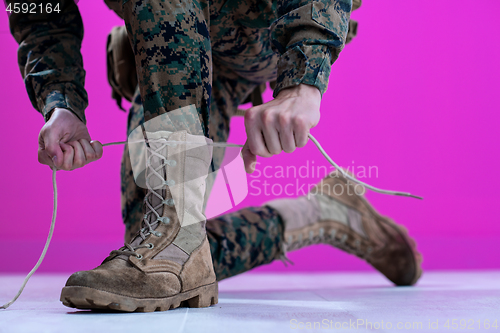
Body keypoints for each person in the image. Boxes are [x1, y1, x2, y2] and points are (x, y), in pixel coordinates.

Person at [8, 0, 422, 312]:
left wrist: (303, 81)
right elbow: (40, 11)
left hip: (261, 31)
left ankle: (178, 238)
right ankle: (323, 213)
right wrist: (60, 102)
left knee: (173, 247)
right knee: (157, 251)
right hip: (172, 57)